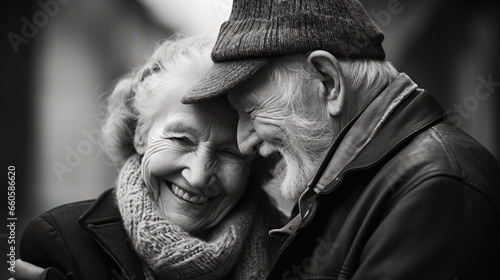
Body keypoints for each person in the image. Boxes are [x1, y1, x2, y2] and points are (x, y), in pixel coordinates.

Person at [182, 0, 500, 279]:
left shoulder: (436, 187)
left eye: (252, 110)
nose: (243, 143)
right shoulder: (358, 182)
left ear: (328, 82)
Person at [16, 35, 284, 280]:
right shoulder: (62, 242)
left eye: (229, 153)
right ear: (139, 134)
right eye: (181, 139)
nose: (199, 176)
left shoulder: (294, 251)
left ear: (255, 159)